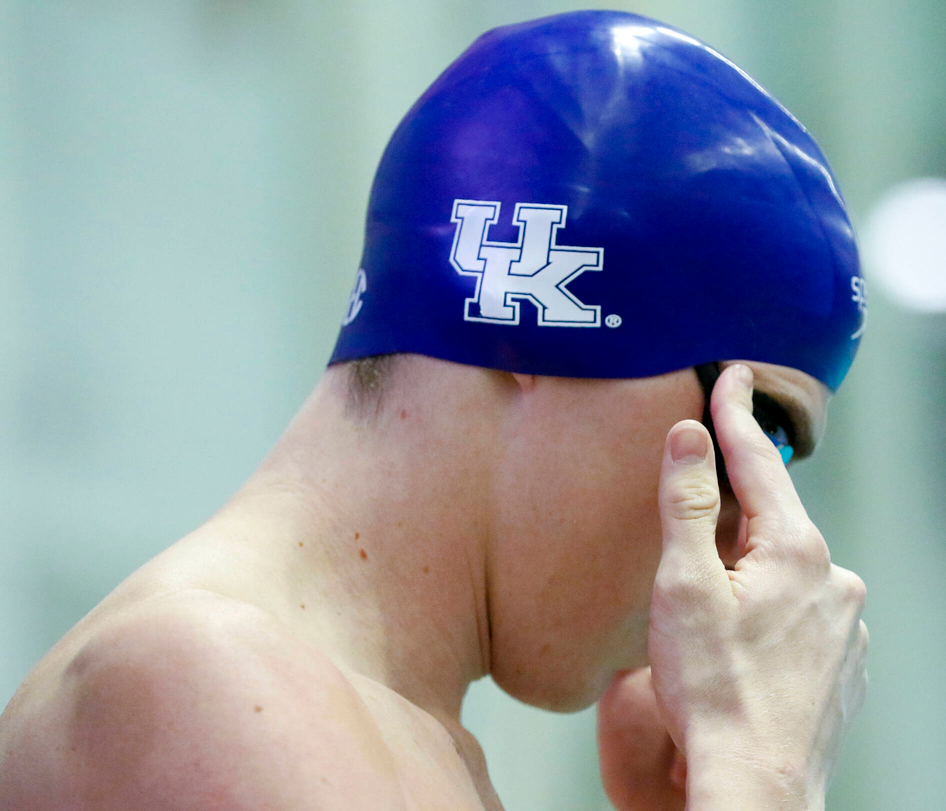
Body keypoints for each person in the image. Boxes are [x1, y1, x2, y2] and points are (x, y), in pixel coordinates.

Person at [0, 11, 869, 810]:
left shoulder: (388, 731)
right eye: (760, 433)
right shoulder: (201, 681)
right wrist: (762, 776)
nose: (752, 540)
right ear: (537, 322)